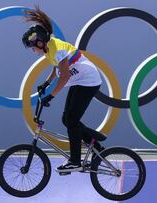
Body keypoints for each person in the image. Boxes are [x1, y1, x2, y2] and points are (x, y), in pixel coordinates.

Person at [22, 5, 104, 173]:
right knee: (67, 119)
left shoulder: (57, 48)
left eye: (32, 46)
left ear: (39, 41)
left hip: (88, 82)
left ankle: (75, 160)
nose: (32, 50)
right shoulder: (50, 48)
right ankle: (97, 146)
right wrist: (46, 82)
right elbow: (57, 68)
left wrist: (50, 96)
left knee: (71, 120)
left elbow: (64, 75)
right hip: (80, 81)